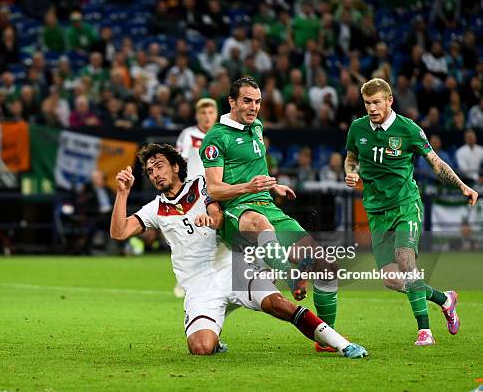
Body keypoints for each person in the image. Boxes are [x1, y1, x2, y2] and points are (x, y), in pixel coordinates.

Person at [110, 143, 367, 358]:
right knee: (200, 348)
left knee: (278, 304)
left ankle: (342, 344)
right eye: (150, 170)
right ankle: (214, 334)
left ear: (176, 166)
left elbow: (228, 201)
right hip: (199, 286)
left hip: (233, 268)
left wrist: (270, 188)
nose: (155, 173)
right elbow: (119, 232)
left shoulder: (202, 186)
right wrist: (122, 193)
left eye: (160, 165)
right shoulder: (154, 209)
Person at [200, 78, 342, 353]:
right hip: (236, 212)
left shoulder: (256, 126)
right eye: (247, 101)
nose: (254, 107)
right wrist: (248, 188)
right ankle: (289, 275)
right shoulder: (215, 137)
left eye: (257, 101)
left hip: (267, 205)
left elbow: (255, 167)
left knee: (326, 266)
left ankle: (326, 341)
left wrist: (272, 184)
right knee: (259, 222)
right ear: (231, 102)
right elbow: (214, 187)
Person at [344, 78, 479, 346]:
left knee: (406, 261)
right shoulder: (357, 128)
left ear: (389, 100)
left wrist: (462, 186)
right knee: (392, 280)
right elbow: (351, 158)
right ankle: (445, 299)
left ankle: (424, 331)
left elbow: (436, 163)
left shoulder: (408, 129)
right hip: (376, 211)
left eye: (376, 102)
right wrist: (351, 172)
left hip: (406, 205)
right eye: (367, 103)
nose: (372, 108)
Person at [169, 98, 219, 298]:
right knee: (190, 238)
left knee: (217, 237)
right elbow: (178, 162)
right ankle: (183, 280)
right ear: (197, 115)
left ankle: (214, 281)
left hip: (218, 191)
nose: (207, 117)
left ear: (215, 114)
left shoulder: (222, 134)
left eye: (210, 113)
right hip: (193, 194)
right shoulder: (189, 135)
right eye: (203, 113)